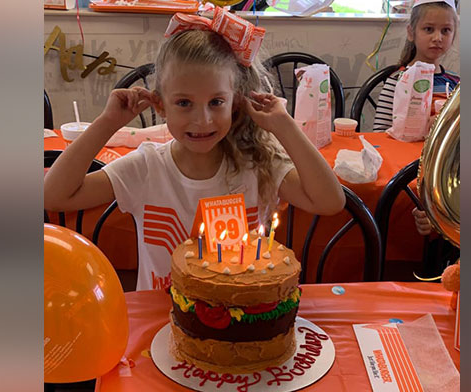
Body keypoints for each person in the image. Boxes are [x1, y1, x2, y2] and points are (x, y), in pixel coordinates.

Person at [44, 8, 345, 291]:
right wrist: (107, 123)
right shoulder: (146, 168)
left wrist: (284, 126)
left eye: (216, 102)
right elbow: (53, 196)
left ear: (236, 102)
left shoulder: (256, 165)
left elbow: (331, 202)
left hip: (238, 320)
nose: (202, 120)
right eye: (184, 103)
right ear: (160, 105)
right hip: (158, 326)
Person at [373, 0, 460, 132]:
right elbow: (379, 133)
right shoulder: (397, 81)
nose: (437, 38)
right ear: (411, 33)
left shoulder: (456, 85)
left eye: (446, 30)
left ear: (453, 36)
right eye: (429, 29)